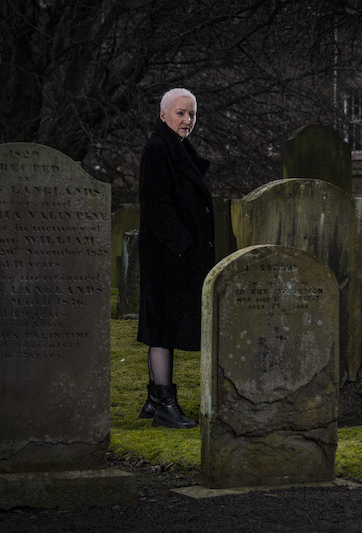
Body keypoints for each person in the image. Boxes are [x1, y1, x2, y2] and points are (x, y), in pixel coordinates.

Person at [136, 88, 215, 429]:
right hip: (168, 257)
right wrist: (183, 246)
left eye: (192, 115)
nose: (187, 121)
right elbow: (155, 204)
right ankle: (165, 404)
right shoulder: (158, 150)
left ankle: (156, 399)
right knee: (163, 329)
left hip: (177, 255)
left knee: (163, 326)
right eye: (181, 114)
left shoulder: (178, 149)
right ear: (164, 115)